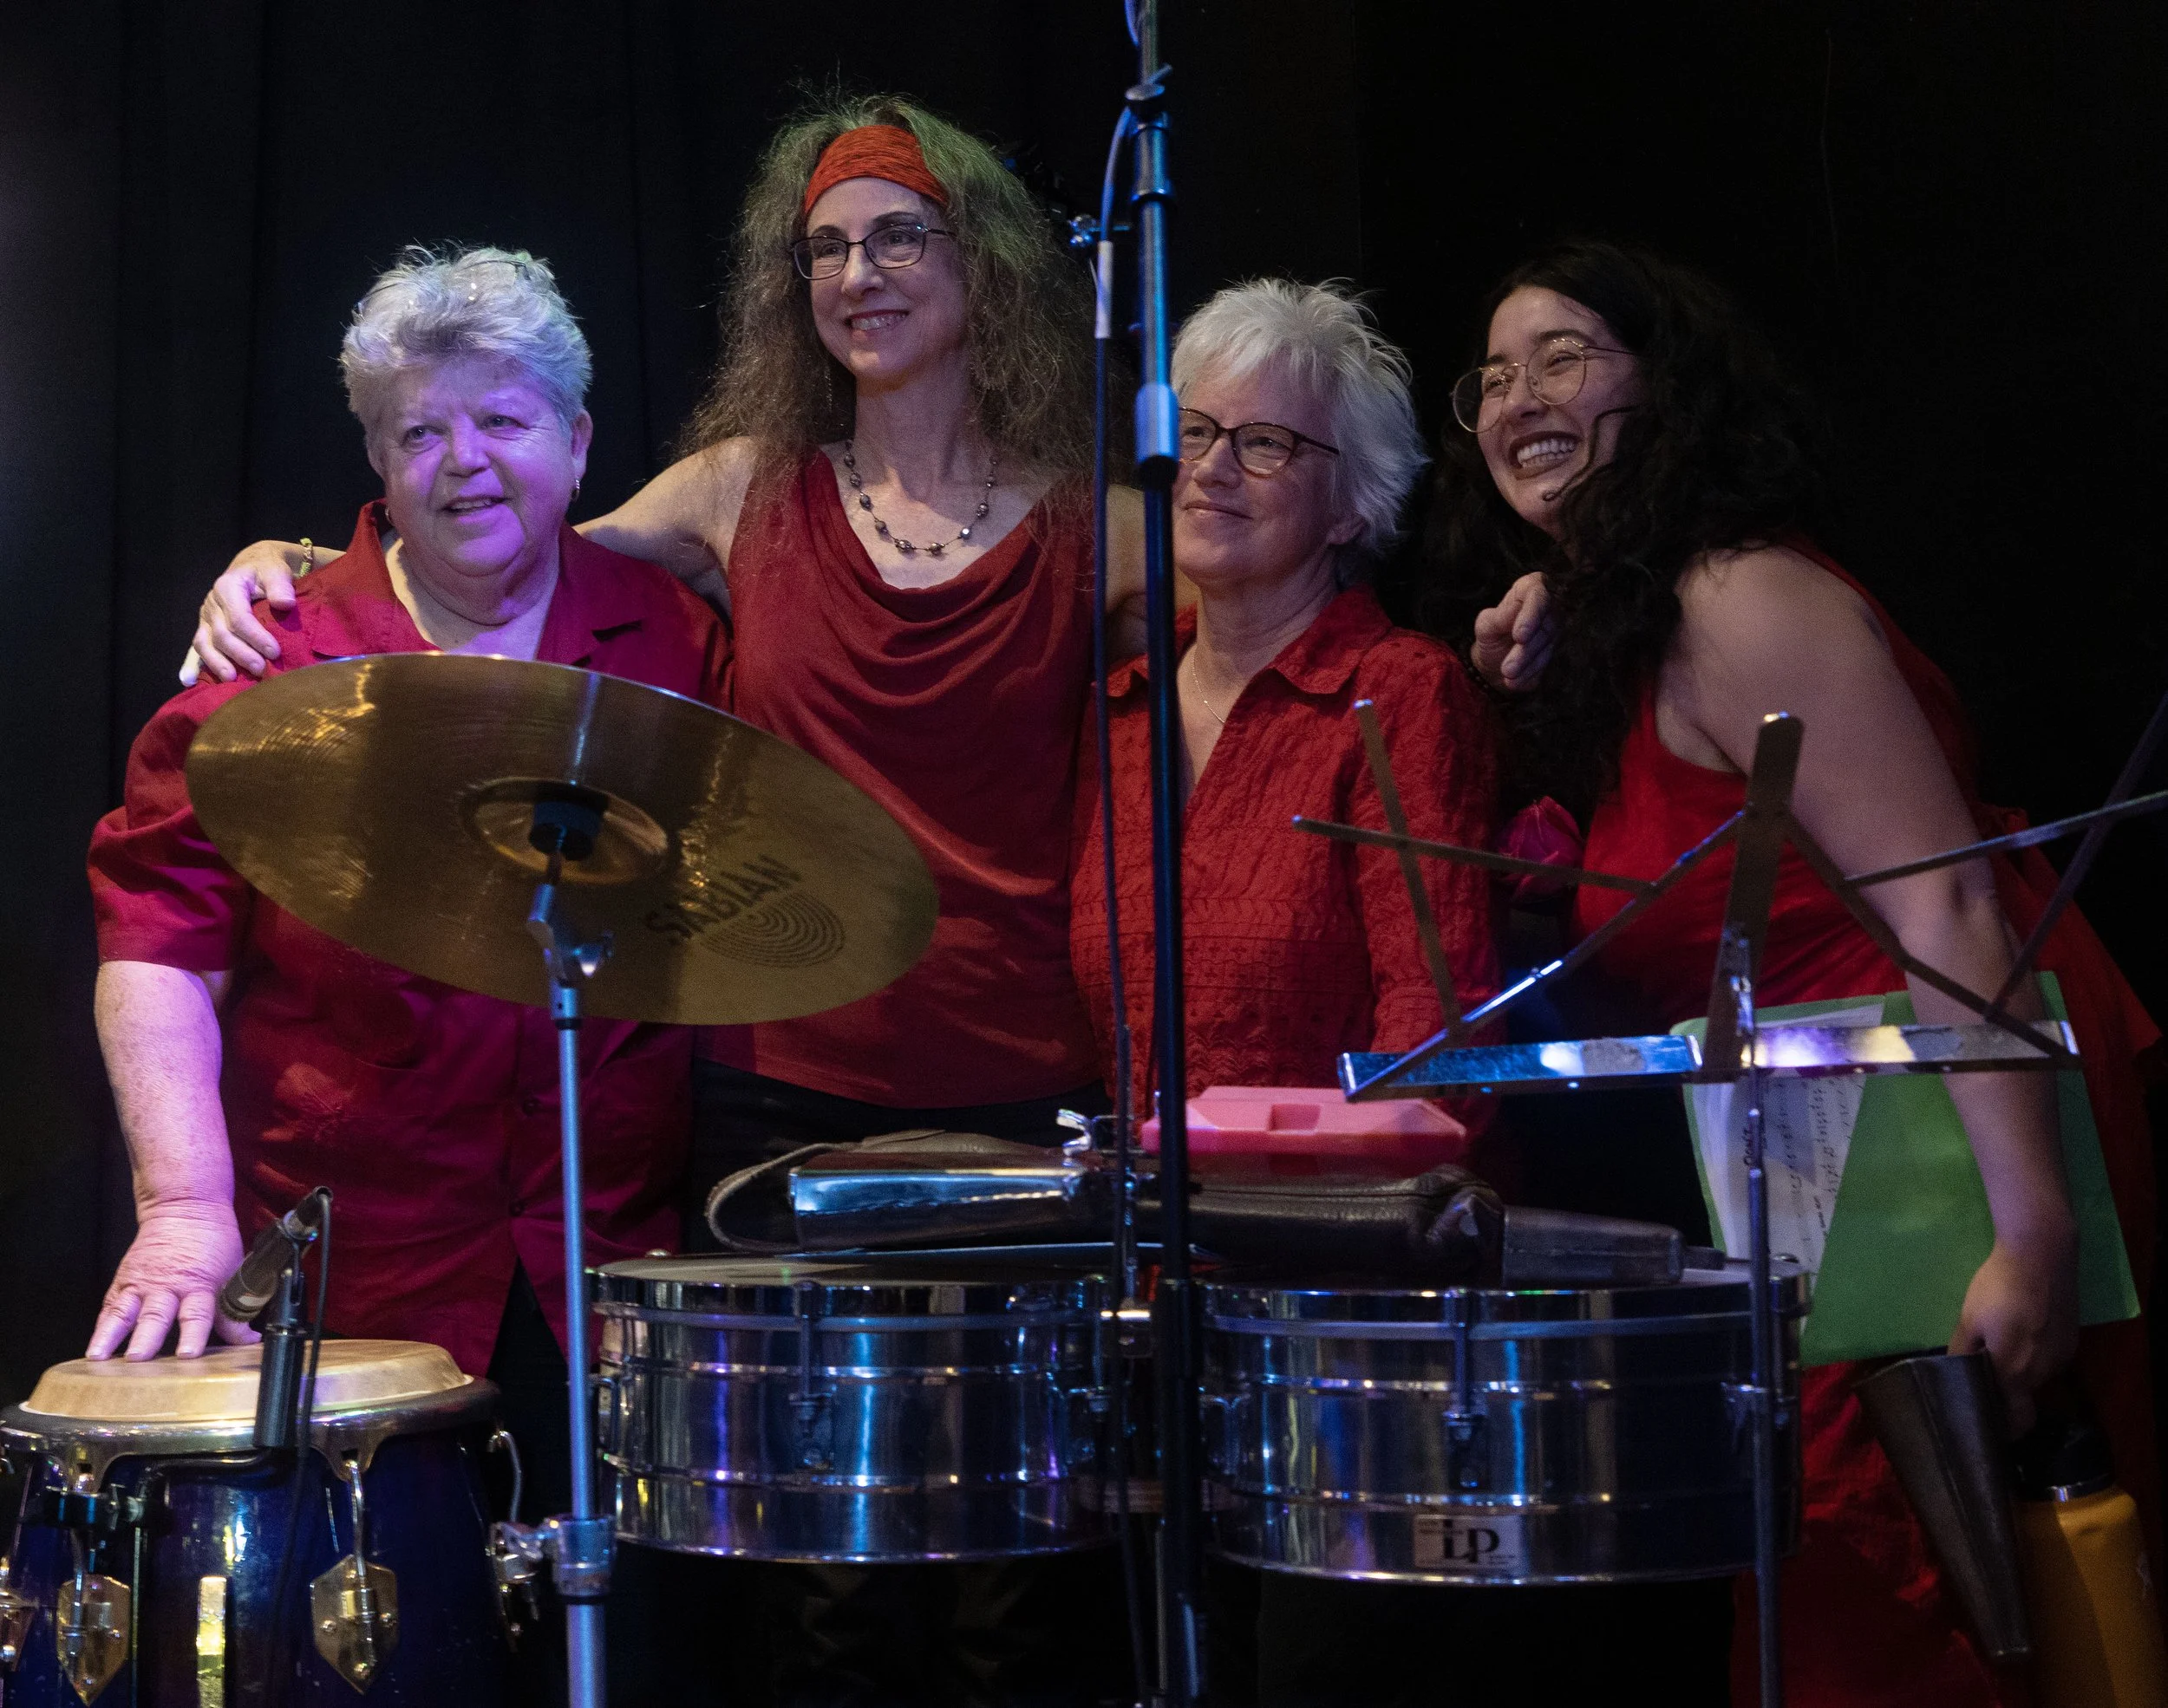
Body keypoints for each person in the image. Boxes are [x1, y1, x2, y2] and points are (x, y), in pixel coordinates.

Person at [190, 95, 1140, 1708]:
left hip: (1023, 1095)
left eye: (898, 235)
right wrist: (277, 561)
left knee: (1023, 1574)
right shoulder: (738, 492)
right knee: (821, 1587)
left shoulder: (1103, 522)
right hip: (778, 1097)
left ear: (984, 263)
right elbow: (485, 556)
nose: (859, 274)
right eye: (826, 248)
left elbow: (1289, 597)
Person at [1429, 239, 2158, 1706]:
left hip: (1949, 1156)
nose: (1518, 397)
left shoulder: (1740, 595)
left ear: (1669, 385)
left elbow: (1950, 908)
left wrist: (2030, 1236)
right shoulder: (1633, 626)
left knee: (1914, 1619)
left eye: (1564, 355)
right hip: (1837, 1188)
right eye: (1494, 376)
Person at [85, 243, 734, 1702]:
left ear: (575, 443)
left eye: (502, 422)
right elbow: (154, 946)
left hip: (608, 1274)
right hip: (355, 1278)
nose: (465, 464)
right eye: (421, 429)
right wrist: (184, 1215)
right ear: (375, 453)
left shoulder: (672, 643)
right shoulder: (269, 663)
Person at [1071, 277, 1498, 1136]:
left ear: (1348, 507)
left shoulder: (1398, 693)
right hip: (1153, 1244)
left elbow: (1437, 1031)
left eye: (1263, 442)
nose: (1211, 468)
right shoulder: (1119, 709)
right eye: (1195, 432)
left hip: (1332, 1240)